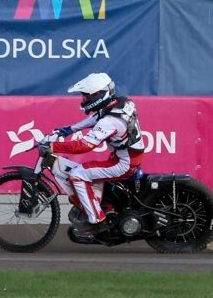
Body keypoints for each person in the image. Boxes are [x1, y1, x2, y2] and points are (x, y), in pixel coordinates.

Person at [43, 72, 144, 241]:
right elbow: (97, 117)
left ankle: (97, 220)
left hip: (124, 163)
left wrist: (52, 146)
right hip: (126, 157)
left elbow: (83, 146)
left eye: (86, 96)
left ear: (98, 95)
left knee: (77, 174)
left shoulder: (110, 122)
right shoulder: (121, 103)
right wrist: (68, 130)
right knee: (89, 173)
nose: (83, 100)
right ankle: (104, 207)